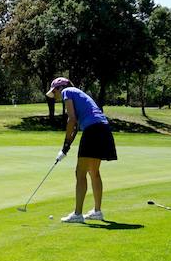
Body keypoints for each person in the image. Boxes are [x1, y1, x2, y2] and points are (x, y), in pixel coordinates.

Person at [47, 76, 118, 223]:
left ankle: (78, 214)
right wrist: (66, 147)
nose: (57, 96)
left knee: (80, 173)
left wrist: (65, 144)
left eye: (55, 92)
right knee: (94, 171)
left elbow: (71, 119)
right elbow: (76, 126)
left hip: (93, 130)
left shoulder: (67, 91)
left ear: (59, 88)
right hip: (103, 129)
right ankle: (97, 212)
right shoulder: (79, 95)